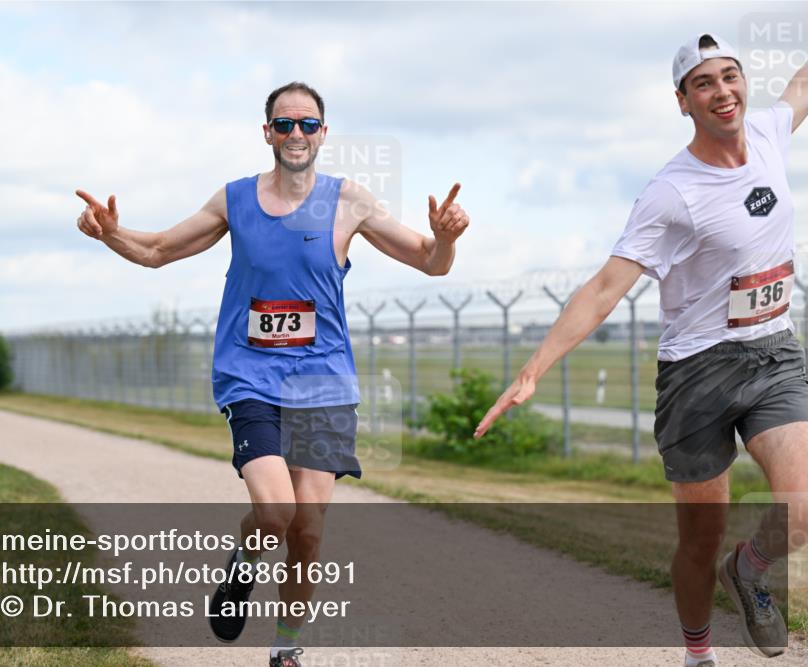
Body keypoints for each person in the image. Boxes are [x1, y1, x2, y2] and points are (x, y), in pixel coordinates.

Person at [75, 81, 470, 667]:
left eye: (307, 125)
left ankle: (286, 649)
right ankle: (245, 560)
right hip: (250, 376)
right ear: (267, 133)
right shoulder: (235, 199)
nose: (296, 135)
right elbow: (157, 250)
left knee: (307, 529)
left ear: (323, 134)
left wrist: (445, 237)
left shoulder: (350, 201)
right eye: (284, 124)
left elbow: (429, 263)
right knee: (276, 515)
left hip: (324, 382)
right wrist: (109, 234)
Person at [475, 34, 808, 667]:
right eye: (703, 84)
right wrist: (531, 370)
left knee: (802, 506)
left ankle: (751, 569)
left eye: (730, 76)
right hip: (697, 374)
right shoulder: (669, 192)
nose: (722, 91)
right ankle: (697, 655)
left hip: (773, 353)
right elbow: (604, 288)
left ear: (744, 82)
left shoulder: (769, 132)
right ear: (682, 101)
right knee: (697, 542)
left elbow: (804, 82)